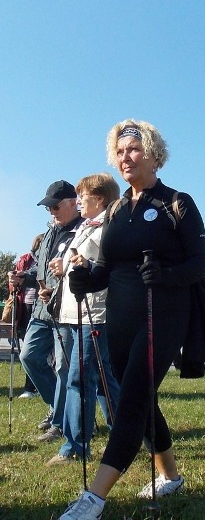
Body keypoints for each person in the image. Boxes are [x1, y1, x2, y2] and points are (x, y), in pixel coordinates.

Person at [56, 119, 205, 520]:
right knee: (140, 396)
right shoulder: (115, 209)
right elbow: (108, 265)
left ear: (153, 155)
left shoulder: (176, 202)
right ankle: (170, 475)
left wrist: (164, 274)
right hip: (122, 317)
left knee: (129, 400)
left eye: (134, 150)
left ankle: (93, 499)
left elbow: (200, 264)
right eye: (120, 151)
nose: (125, 158)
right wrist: (87, 278)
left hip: (163, 313)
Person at [46, 173, 122, 466]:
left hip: (95, 312)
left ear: (99, 199)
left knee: (79, 377)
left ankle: (75, 447)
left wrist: (87, 265)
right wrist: (61, 266)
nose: (78, 201)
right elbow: (76, 261)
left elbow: (111, 268)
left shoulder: (109, 228)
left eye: (83, 196)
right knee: (104, 381)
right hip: (76, 311)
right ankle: (126, 433)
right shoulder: (85, 226)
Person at [19, 181, 83, 441]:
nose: (52, 212)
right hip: (41, 310)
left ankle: (61, 422)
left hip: (65, 309)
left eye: (56, 207)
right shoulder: (50, 231)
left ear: (72, 203)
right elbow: (41, 268)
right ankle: (58, 408)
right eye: (48, 208)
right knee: (29, 357)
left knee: (64, 369)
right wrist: (24, 275)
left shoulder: (83, 230)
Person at [6, 233, 44, 398]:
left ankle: (35, 387)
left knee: (35, 351)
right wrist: (16, 281)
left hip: (41, 305)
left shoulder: (45, 260)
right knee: (26, 349)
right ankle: (30, 387)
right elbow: (13, 285)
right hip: (24, 307)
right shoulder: (25, 260)